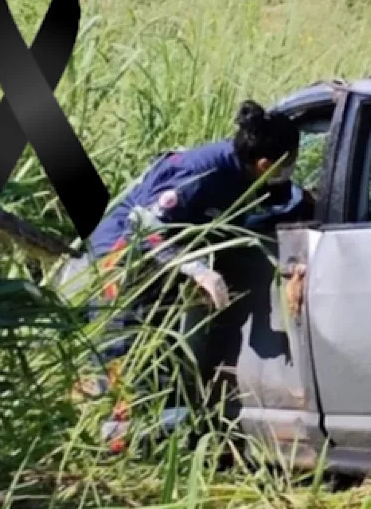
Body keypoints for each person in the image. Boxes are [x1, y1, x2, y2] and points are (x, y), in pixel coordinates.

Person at [74, 99, 315, 451]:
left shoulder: (247, 173)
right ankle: (110, 452)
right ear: (266, 162)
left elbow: (279, 203)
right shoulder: (203, 172)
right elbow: (144, 225)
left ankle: (150, 442)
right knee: (124, 361)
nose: (289, 170)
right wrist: (199, 271)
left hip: (162, 268)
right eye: (289, 162)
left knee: (161, 361)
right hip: (122, 262)